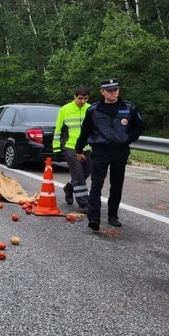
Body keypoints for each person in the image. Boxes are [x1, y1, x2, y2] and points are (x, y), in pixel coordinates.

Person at [75, 78, 146, 231]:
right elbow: (85, 131)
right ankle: (94, 218)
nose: (113, 93)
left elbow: (139, 126)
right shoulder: (93, 110)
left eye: (115, 90)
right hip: (100, 150)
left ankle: (113, 215)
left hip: (120, 151)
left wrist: (128, 138)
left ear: (118, 91)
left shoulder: (129, 108)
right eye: (109, 90)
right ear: (103, 92)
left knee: (117, 184)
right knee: (96, 184)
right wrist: (79, 150)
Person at [53, 85, 91, 210]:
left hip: (87, 147)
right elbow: (58, 130)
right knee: (78, 175)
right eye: (80, 98)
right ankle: (83, 203)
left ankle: (68, 188)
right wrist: (57, 149)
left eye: (85, 98)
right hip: (70, 147)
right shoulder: (65, 109)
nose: (82, 101)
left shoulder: (91, 109)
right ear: (74, 96)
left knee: (86, 173)